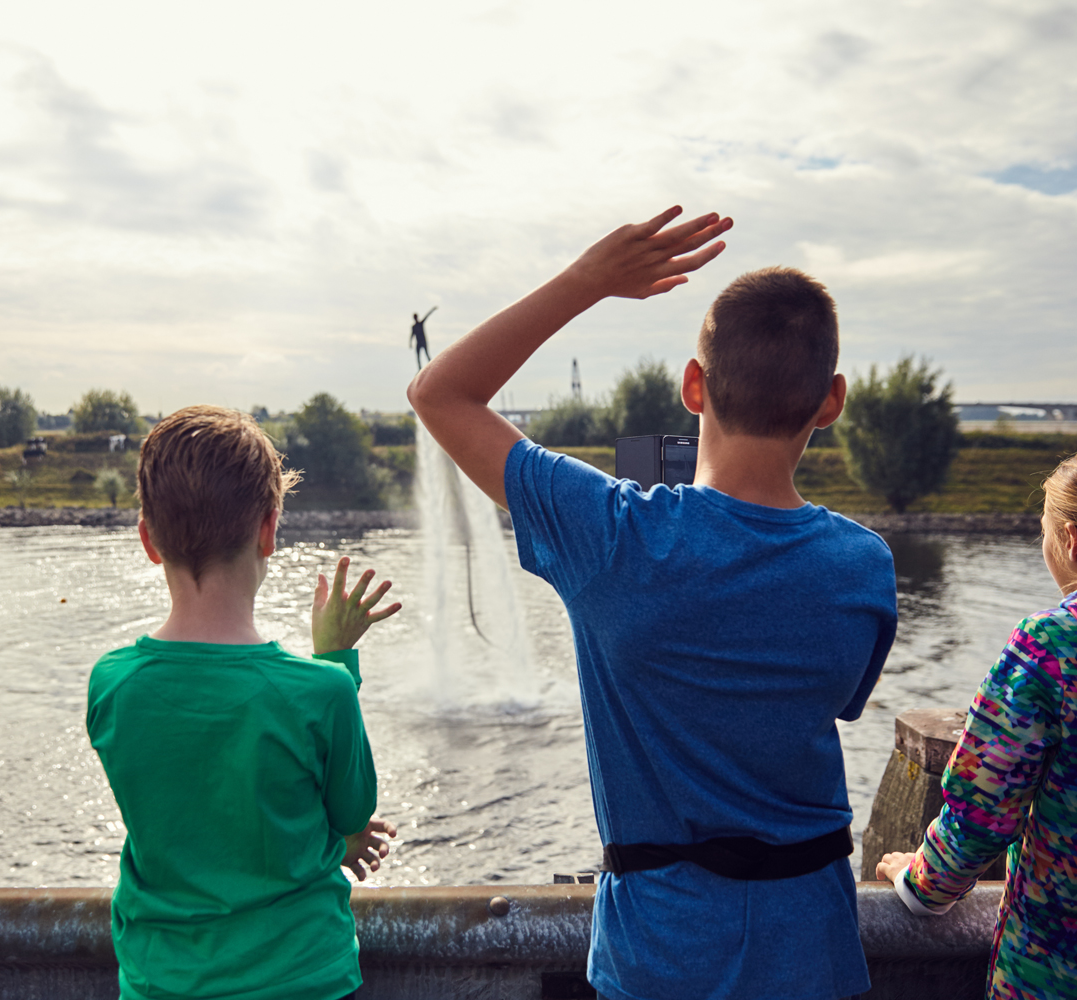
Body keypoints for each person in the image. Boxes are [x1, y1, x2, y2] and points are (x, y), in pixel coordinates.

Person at [407, 206, 898, 1000]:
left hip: (660, 957)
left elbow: (440, 392)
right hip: (812, 952)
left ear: (693, 385)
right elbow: (838, 704)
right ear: (831, 400)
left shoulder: (614, 536)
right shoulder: (863, 565)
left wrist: (587, 281)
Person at [86, 405, 402, 1000]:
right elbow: (352, 816)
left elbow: (191, 821)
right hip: (306, 980)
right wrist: (334, 659)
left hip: (161, 983)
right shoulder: (321, 690)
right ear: (269, 530)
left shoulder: (112, 685)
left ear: (148, 539)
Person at [876, 437, 1077, 997]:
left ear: (1073, 541)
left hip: (1059, 974)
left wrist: (916, 883)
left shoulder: (1058, 640)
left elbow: (980, 816)